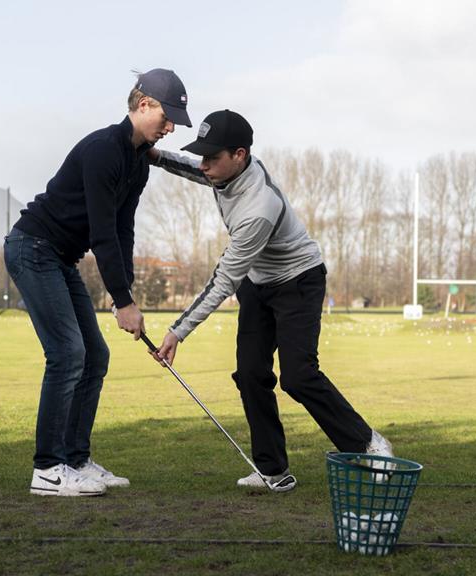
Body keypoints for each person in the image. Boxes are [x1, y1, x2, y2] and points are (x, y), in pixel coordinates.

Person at [148, 110, 393, 492]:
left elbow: (223, 280)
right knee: (250, 374)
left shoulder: (258, 207)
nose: (205, 164)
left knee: (299, 376)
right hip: (258, 283)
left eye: (212, 157)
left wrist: (177, 332)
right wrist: (155, 156)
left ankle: (368, 445)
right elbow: (194, 169)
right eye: (203, 155)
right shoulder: (224, 172)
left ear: (240, 155)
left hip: (298, 281)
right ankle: (273, 469)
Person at [5, 69, 192, 496]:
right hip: (33, 248)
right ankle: (47, 469)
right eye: (167, 117)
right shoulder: (103, 150)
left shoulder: (138, 164)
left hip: (60, 258)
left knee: (95, 356)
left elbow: (123, 230)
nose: (170, 128)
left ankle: (75, 460)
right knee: (68, 353)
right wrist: (122, 301)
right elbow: (102, 232)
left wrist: (125, 290)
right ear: (143, 104)